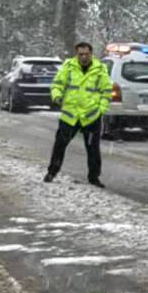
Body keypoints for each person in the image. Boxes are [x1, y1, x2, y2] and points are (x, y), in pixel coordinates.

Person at [46, 40, 111, 185]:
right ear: (76, 54)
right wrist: (57, 96)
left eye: (86, 54)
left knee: (93, 149)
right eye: (80, 54)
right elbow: (57, 85)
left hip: (91, 116)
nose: (83, 57)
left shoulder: (100, 70)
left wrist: (101, 109)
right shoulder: (68, 67)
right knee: (60, 145)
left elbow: (106, 92)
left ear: (91, 54)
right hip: (70, 115)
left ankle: (94, 177)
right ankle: (52, 172)